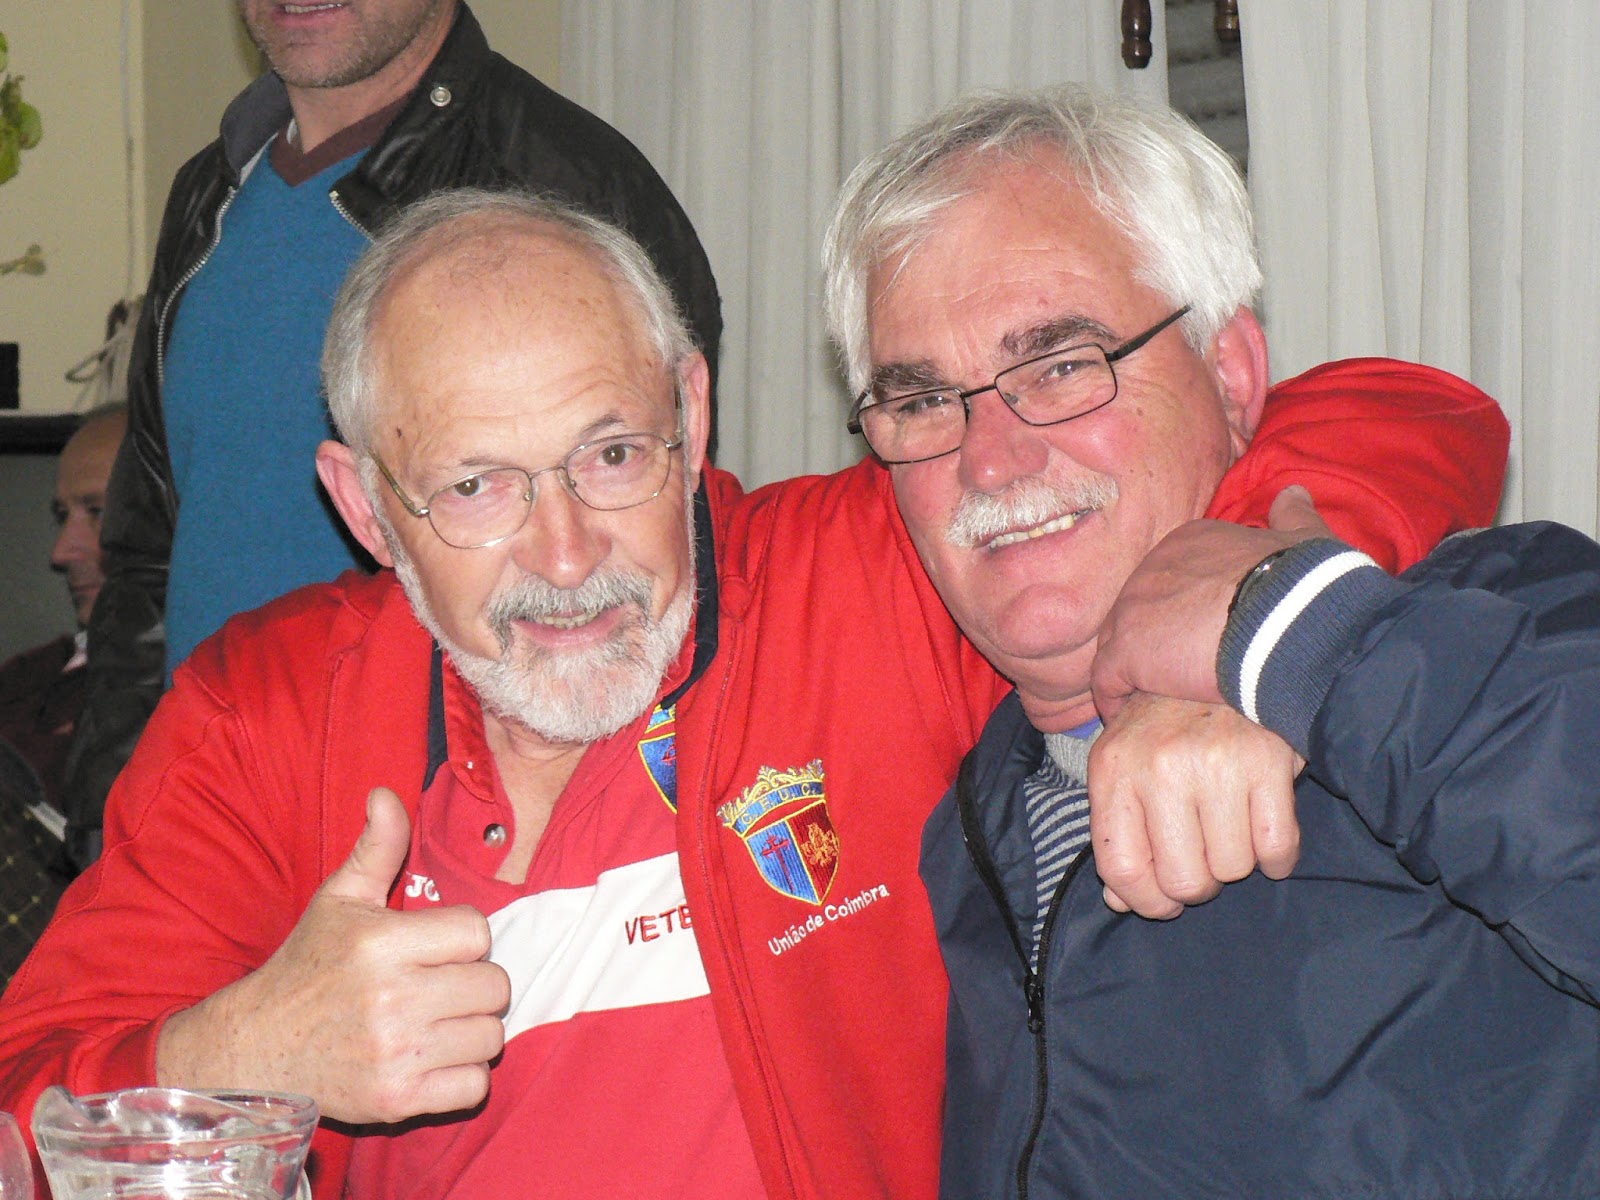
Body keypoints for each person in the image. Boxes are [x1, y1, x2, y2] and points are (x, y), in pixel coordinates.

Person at [0, 189, 1502, 1199]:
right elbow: (22, 1110)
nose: (567, 556)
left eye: (611, 455)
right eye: (475, 487)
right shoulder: (267, 714)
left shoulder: (863, 576)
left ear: (694, 411)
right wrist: (241, 1058)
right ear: (365, 508)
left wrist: (1234, 623)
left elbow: (1405, 410)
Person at [818, 84, 1593, 1196]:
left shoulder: (1503, 618)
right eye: (924, 401)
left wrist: (1297, 639)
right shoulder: (959, 813)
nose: (989, 460)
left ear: (1231, 377)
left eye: (1060, 366)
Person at [62, 0, 723, 873]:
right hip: (217, 835)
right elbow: (146, 548)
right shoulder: (208, 195)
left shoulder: (561, 183)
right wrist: (118, 810)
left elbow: (649, 556)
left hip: (453, 858)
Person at [0, 405, 127, 982]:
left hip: (70, 966)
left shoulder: (187, 690)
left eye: (97, 513)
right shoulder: (30, 674)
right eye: (62, 516)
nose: (62, 551)